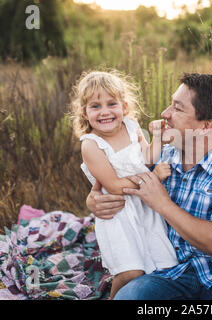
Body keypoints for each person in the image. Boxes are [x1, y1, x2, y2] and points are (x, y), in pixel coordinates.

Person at [86, 73, 212, 300]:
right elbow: (122, 183)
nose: (165, 114)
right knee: (128, 297)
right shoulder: (162, 152)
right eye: (171, 104)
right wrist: (93, 199)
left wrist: (163, 204)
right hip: (168, 266)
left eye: (177, 109)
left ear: (206, 126)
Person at [70, 70, 178, 299]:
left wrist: (157, 137)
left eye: (111, 103)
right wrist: (154, 178)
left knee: (156, 264)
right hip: (118, 213)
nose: (105, 112)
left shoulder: (131, 126)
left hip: (145, 209)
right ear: (84, 112)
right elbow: (116, 185)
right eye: (95, 106)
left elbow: (147, 159)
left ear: (124, 106)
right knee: (131, 271)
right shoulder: (91, 144)